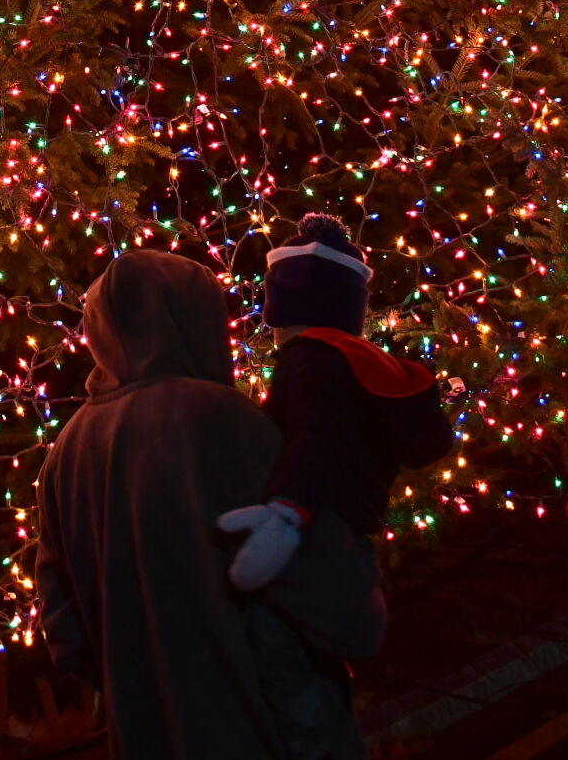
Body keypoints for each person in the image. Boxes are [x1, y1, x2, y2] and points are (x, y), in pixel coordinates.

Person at [36, 249, 384, 760]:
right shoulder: (223, 422)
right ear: (198, 320)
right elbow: (339, 604)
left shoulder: (63, 459)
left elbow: (65, 636)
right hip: (273, 736)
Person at [218, 214, 458, 597]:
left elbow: (315, 439)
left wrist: (284, 513)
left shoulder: (308, 361)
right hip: (353, 526)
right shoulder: (360, 362)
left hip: (312, 523)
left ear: (283, 310)